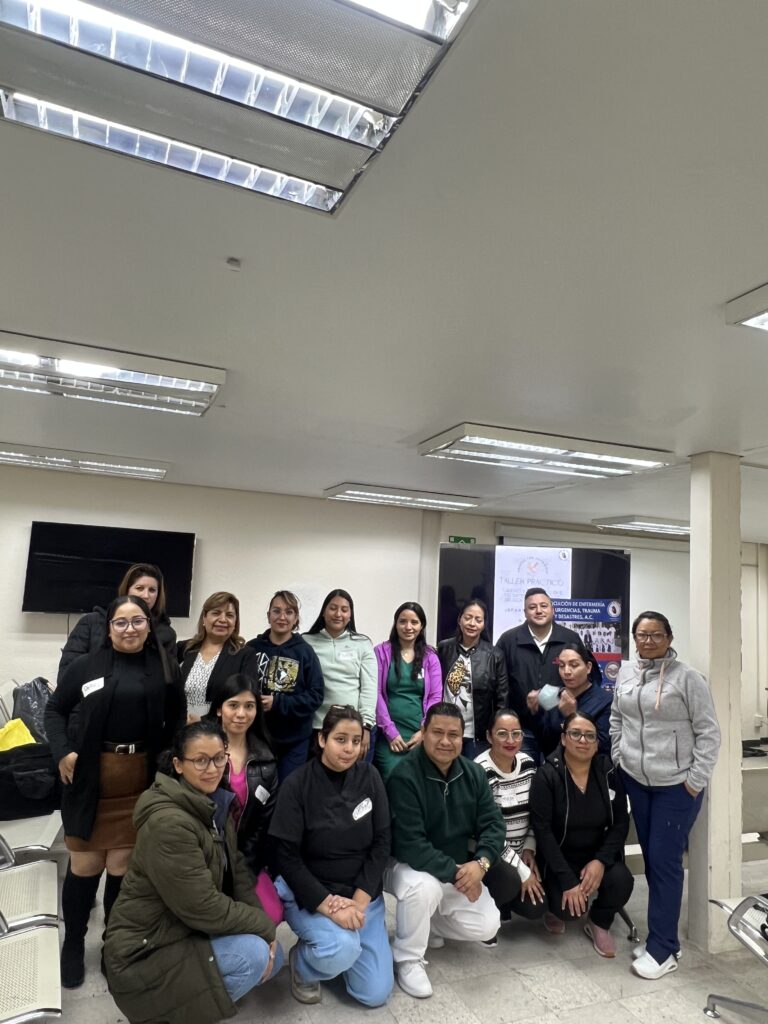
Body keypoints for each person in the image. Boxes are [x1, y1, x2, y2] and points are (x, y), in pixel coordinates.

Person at [45, 595, 186, 989]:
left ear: (149, 625)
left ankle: (113, 943)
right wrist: (62, 752)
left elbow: (176, 719)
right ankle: (74, 943)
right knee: (84, 866)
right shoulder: (86, 666)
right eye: (120, 622)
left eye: (137, 621)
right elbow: (54, 710)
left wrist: (171, 766)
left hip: (138, 781)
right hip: (89, 777)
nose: (129, 629)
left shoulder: (164, 667)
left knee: (122, 868)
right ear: (108, 629)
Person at [104, 720, 282, 1024]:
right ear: (178, 764)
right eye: (200, 760)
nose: (212, 769)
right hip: (145, 950)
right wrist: (263, 927)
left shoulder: (214, 801)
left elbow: (238, 870)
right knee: (253, 955)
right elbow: (204, 907)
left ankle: (198, 997)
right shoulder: (169, 824)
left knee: (273, 957)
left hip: (184, 928)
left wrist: (264, 927)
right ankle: (175, 1013)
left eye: (219, 758)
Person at [610, 611, 721, 980]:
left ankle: (664, 950)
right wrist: (619, 756)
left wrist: (694, 781)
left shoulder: (688, 678)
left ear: (669, 638)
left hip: (676, 786)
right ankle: (663, 937)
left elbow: (709, 733)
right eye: (642, 635)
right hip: (637, 781)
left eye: (656, 634)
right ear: (634, 638)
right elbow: (617, 718)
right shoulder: (626, 673)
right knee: (653, 860)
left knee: (664, 861)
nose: (648, 641)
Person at [269, 705, 392, 1007]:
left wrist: (359, 901)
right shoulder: (297, 784)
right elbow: (285, 856)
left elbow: (382, 842)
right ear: (322, 740)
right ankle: (304, 964)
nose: (349, 748)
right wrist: (329, 906)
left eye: (356, 741)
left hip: (361, 895)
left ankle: (337, 954)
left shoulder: (370, 776)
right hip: (313, 892)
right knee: (341, 948)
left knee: (374, 993)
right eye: (340, 739)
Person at [384, 702, 505, 999]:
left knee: (488, 925)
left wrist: (481, 864)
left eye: (453, 735)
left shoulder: (473, 773)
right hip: (404, 864)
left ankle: (429, 926)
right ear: (423, 732)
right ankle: (408, 958)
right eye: (437, 732)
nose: (445, 741)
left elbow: (493, 824)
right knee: (423, 888)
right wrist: (458, 874)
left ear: (463, 738)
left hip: (455, 866)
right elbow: (411, 845)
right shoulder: (404, 775)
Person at [529, 711, 634, 958]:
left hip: (596, 856)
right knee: (568, 911)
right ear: (563, 738)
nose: (583, 740)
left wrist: (601, 861)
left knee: (622, 881)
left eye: (590, 736)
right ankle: (554, 907)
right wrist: (568, 880)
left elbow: (621, 822)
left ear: (597, 743)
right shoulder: (547, 775)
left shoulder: (607, 771)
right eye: (575, 734)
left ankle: (598, 922)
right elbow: (543, 831)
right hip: (559, 860)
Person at [495, 588, 601, 759]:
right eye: (532, 607)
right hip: (521, 728)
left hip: (560, 726)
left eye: (544, 606)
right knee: (525, 772)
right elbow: (498, 684)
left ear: (553, 610)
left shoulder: (570, 638)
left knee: (558, 773)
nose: (539, 611)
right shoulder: (508, 640)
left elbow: (589, 679)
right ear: (524, 612)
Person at [474, 710, 546, 941]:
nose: (510, 740)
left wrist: (529, 848)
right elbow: (486, 832)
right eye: (502, 734)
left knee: (537, 907)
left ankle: (505, 903)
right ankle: (485, 912)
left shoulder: (528, 764)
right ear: (489, 736)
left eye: (516, 734)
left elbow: (536, 812)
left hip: (521, 850)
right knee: (508, 880)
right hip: (490, 852)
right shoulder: (480, 770)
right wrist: (522, 870)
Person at [246, 590, 324, 781]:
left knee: (286, 791)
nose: (282, 617)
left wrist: (278, 703)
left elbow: (315, 696)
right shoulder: (251, 648)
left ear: (296, 618)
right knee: (257, 791)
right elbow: (238, 687)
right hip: (256, 737)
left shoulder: (305, 652)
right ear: (268, 615)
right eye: (276, 611)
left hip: (294, 742)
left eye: (289, 612)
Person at [205, 673, 278, 876]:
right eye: (233, 705)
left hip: (245, 861)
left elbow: (263, 824)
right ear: (219, 709)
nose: (241, 714)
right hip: (201, 857)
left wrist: (244, 865)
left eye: (249, 706)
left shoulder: (266, 759)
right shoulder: (199, 753)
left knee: (268, 900)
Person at [58, 562, 177, 682]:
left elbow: (170, 679)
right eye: (139, 588)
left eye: (152, 590)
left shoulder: (166, 633)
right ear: (127, 590)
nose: (146, 595)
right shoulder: (91, 622)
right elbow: (67, 674)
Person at [304, 589, 377, 761]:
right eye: (333, 608)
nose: (338, 614)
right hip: (316, 726)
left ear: (350, 615)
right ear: (323, 612)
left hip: (353, 727)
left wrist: (366, 726)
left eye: (344, 610)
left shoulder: (362, 643)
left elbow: (369, 688)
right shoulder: (306, 641)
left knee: (354, 776)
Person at [373, 601, 442, 783]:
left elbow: (435, 697)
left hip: (419, 735)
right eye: (403, 621)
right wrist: (390, 732)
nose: (408, 627)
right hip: (388, 735)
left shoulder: (430, 656)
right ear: (395, 624)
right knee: (392, 779)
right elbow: (376, 693)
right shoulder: (381, 652)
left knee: (419, 783)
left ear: (422, 626)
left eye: (414, 622)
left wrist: (424, 731)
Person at [438, 599, 509, 758]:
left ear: (484, 624)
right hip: (445, 729)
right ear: (460, 620)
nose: (472, 623)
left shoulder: (495, 655)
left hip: (477, 735)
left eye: (478, 620)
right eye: (468, 617)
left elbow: (502, 698)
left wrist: (497, 731)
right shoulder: (444, 648)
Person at [178, 591, 256, 720]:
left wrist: (202, 722)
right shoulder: (184, 648)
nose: (223, 619)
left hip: (220, 726)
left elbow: (245, 700)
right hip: (181, 724)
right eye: (216, 613)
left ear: (235, 622)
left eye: (229, 615)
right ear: (204, 618)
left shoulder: (245, 655)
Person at [527, 639, 610, 757]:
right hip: (554, 765)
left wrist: (572, 717)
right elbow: (544, 742)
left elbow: (601, 747)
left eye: (574, 665)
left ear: (588, 667)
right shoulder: (554, 695)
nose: (566, 671)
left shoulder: (606, 701)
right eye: (561, 665)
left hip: (588, 766)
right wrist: (535, 712)